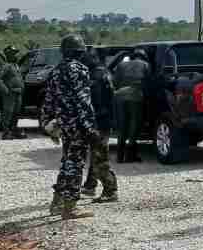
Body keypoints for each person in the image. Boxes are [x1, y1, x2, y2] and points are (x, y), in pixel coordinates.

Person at [42, 34, 99, 220]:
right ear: (79, 52)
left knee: (67, 162)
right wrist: (90, 127)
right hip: (77, 126)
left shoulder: (55, 71)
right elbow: (83, 101)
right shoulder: (79, 69)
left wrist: (47, 124)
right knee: (75, 164)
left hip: (63, 124)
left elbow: (48, 101)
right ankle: (70, 207)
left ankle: (57, 203)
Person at [80, 50, 119, 202]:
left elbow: (98, 101)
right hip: (101, 120)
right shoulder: (103, 73)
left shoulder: (96, 76)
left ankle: (111, 190)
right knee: (96, 153)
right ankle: (90, 185)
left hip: (99, 121)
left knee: (99, 156)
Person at [112, 48, 149, 163]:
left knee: (122, 125)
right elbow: (149, 82)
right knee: (134, 124)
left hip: (119, 96)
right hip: (135, 96)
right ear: (143, 57)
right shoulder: (145, 65)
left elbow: (115, 82)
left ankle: (119, 156)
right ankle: (129, 156)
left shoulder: (121, 65)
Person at [0, 45, 26, 140]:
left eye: (16, 53)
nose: (16, 55)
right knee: (8, 113)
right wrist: (5, 89)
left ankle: (14, 130)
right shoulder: (6, 66)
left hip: (18, 93)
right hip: (10, 94)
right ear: (9, 55)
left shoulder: (16, 66)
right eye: (14, 54)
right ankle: (6, 132)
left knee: (16, 112)